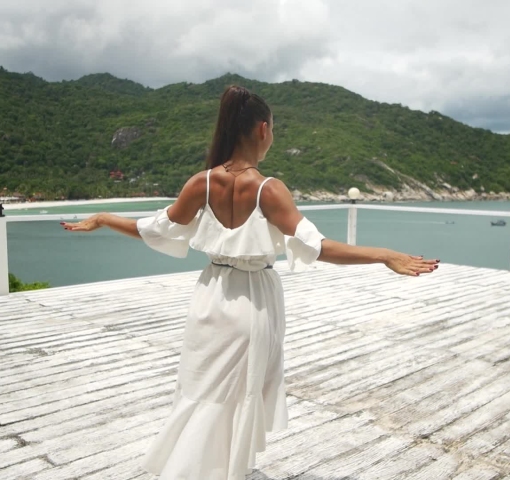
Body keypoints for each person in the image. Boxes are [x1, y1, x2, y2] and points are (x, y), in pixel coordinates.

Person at [61, 85, 439, 480]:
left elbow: (155, 229)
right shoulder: (268, 189)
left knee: (202, 390)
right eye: (273, 129)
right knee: (239, 396)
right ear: (262, 130)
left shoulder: (201, 183)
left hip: (210, 297)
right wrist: (384, 255)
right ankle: (225, 471)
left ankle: (197, 468)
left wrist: (104, 218)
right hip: (253, 301)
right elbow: (318, 247)